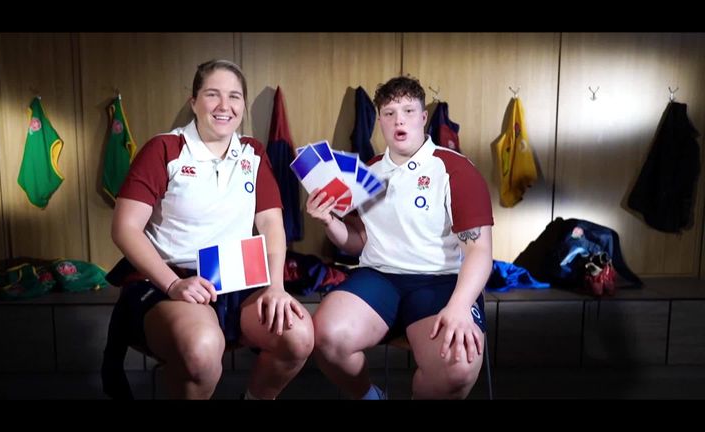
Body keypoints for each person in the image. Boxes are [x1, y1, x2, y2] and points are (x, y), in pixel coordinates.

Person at [103, 59, 314, 400]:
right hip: (172, 280)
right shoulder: (164, 149)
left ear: (243, 105)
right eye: (212, 94)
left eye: (234, 96)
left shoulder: (253, 152)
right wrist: (173, 284)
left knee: (298, 335)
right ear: (194, 101)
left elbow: (271, 223)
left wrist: (276, 286)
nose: (224, 106)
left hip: (238, 279)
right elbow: (125, 228)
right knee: (201, 351)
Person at [306, 76, 494, 399]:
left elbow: (479, 250)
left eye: (408, 110)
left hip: (441, 281)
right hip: (378, 278)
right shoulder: (367, 172)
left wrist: (461, 305)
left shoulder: (455, 170)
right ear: (379, 121)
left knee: (459, 367)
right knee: (325, 336)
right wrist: (329, 221)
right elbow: (357, 241)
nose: (399, 120)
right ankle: (370, 396)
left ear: (423, 118)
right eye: (390, 113)